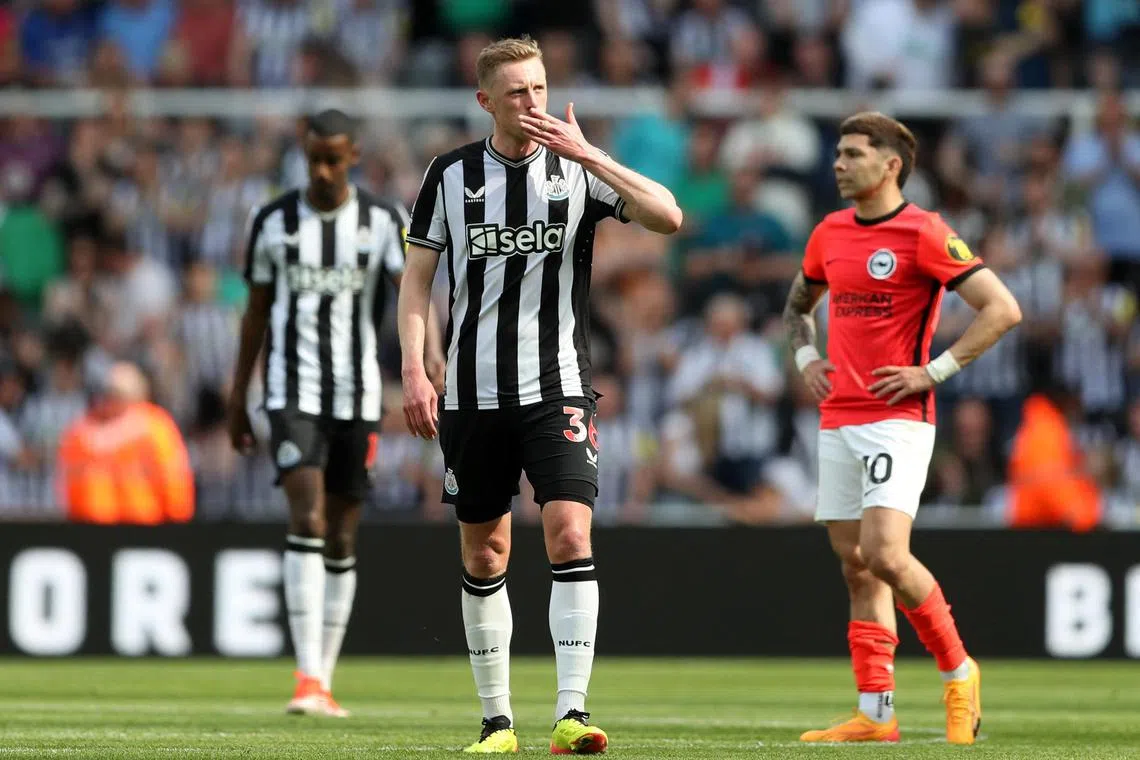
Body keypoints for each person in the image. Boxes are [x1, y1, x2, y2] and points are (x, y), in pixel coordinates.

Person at [397, 36, 682, 755]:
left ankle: (573, 713)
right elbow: (415, 285)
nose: (533, 103)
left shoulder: (576, 169)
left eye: (541, 88)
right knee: (487, 552)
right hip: (470, 391)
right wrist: (411, 367)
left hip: (557, 387)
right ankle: (497, 723)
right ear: (485, 101)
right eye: (517, 92)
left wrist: (592, 155)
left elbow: (667, 217)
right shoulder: (451, 175)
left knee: (570, 531)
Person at [782, 112, 1022, 744]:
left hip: (897, 418)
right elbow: (797, 306)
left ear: (890, 165)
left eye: (853, 153)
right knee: (856, 565)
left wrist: (934, 370)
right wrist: (807, 356)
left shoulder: (924, 232)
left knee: (887, 553)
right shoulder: (829, 232)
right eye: (837, 152)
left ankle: (959, 672)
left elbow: (1003, 308)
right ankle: (876, 714)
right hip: (838, 416)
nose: (838, 163)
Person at [227, 109, 445, 718]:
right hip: (290, 390)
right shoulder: (272, 221)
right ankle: (307, 678)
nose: (321, 170)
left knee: (343, 534)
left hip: (356, 394)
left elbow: (415, 295)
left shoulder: (382, 221)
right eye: (312, 157)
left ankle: (323, 676)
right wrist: (236, 396)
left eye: (333, 158)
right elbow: (254, 313)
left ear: (353, 156)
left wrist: (429, 356)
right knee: (308, 515)